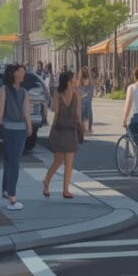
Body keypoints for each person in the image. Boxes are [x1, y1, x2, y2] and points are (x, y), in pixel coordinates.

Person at [0, 63, 32, 211]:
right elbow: (1, 113)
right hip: (13, 131)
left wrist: (29, 126)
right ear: (15, 74)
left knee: (9, 161)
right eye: (22, 71)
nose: (24, 74)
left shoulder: (22, 91)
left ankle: (6, 191)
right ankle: (12, 198)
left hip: (15, 130)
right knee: (14, 162)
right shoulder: (6, 90)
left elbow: (25, 112)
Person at [43, 70, 84, 199]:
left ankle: (65, 189)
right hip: (60, 130)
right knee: (58, 161)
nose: (76, 81)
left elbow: (78, 115)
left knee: (69, 163)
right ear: (68, 81)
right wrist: (52, 130)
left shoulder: (77, 95)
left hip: (70, 131)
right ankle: (46, 182)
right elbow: (55, 112)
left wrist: (82, 128)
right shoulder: (57, 94)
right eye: (74, 79)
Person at [78, 66, 94, 136]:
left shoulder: (79, 82)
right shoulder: (90, 82)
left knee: (82, 116)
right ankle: (89, 129)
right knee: (89, 116)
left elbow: (78, 92)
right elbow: (91, 93)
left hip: (82, 102)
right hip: (88, 102)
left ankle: (83, 129)